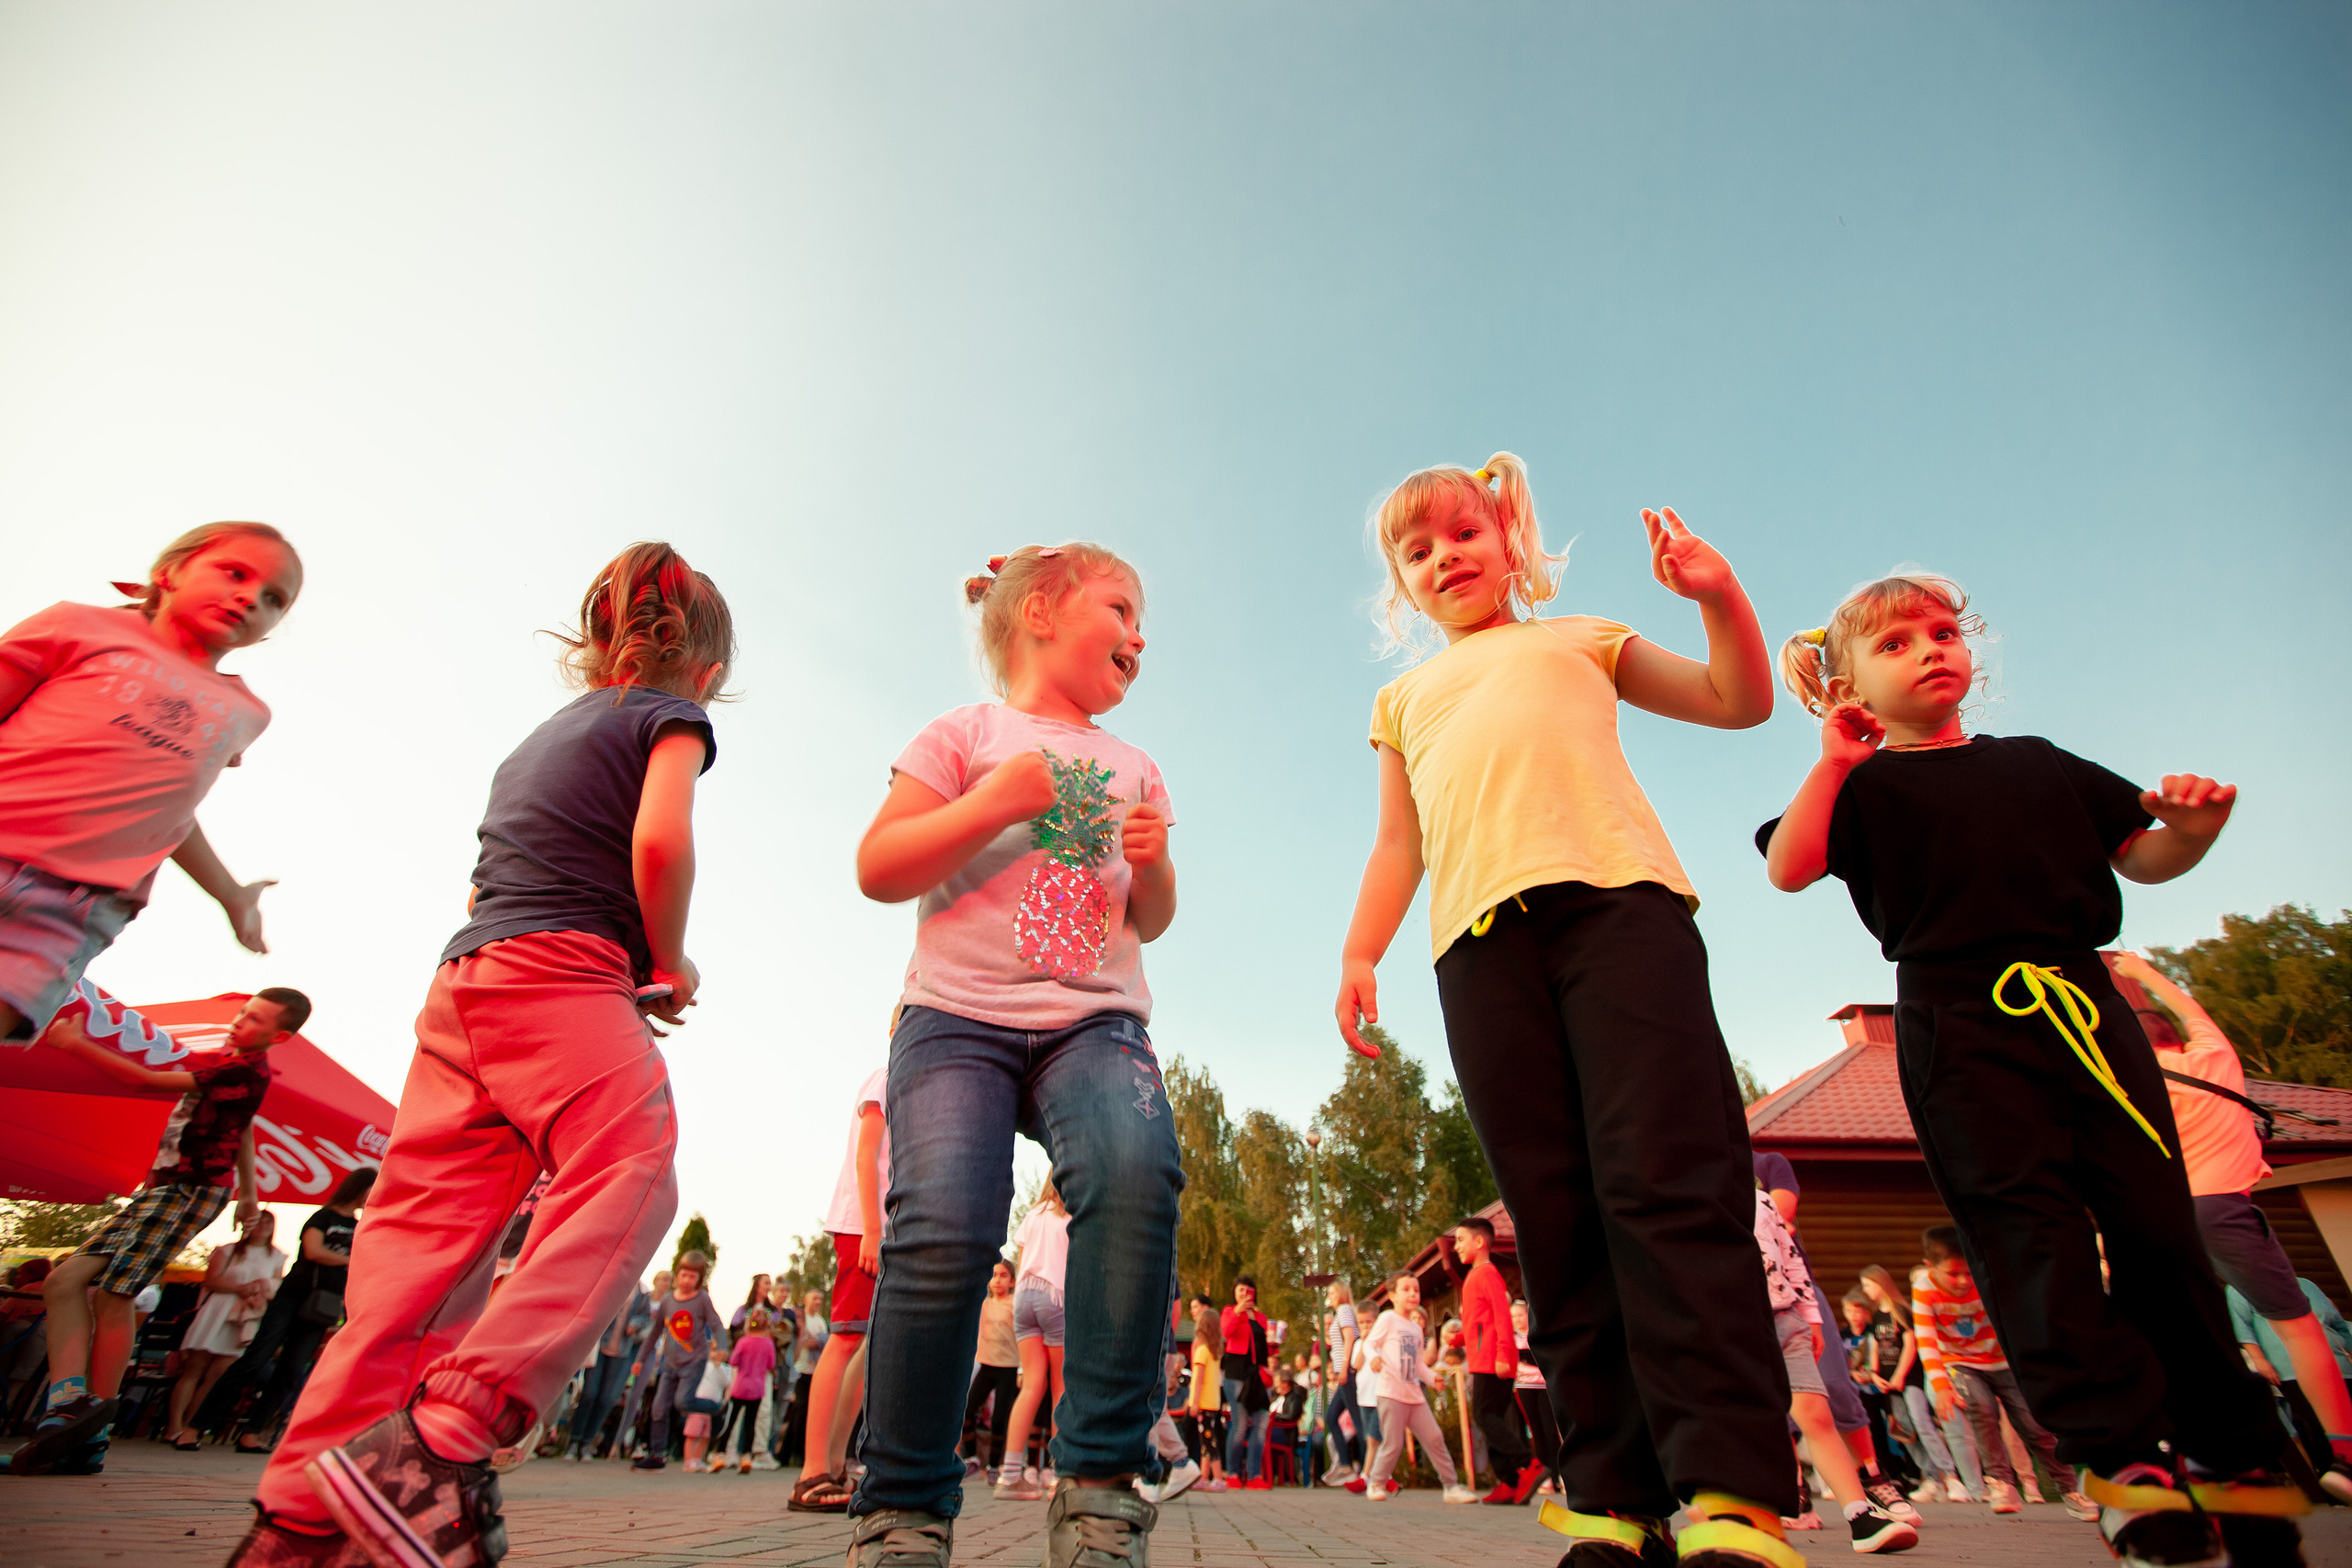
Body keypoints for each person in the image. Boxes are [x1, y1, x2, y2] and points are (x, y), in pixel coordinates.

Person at [1758, 572, 2301, 1566]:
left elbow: (2140, 856)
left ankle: (2233, 1453)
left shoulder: (2041, 764)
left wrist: (2193, 830)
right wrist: (1832, 763)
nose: (1930, 649)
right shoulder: (1864, 787)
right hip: (1959, 1022)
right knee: (2030, 1234)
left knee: (2154, 1227)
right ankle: (2121, 1463)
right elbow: (1789, 866)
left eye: (1941, 631)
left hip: (2085, 1008)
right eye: (1894, 644)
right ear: (1846, 685)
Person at [230, 543, 732, 1567]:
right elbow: (661, 845)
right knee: (628, 1172)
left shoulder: (538, 740)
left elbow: (485, 883)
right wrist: (667, 963)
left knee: (415, 1263)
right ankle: (449, 1434)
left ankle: (299, 1521)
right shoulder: (671, 719)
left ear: (595, 646)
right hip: (565, 973)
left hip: (464, 989)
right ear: (709, 674)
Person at [1333, 459, 1796, 1567]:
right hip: (1478, 954)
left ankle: (1731, 1492)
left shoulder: (1579, 639)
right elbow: (1400, 843)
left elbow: (1739, 702)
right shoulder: (1402, 701)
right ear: (1401, 584)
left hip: (1619, 914)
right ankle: (1612, 1496)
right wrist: (1360, 949)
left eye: (1463, 532)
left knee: (1667, 1183)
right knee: (1554, 1216)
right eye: (1418, 549)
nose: (1446, 556)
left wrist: (1716, 596)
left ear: (1508, 539)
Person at [848, 543, 1182, 1568]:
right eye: (1120, 607)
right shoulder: (966, 732)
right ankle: (902, 1505)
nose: (1138, 634)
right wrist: (995, 799)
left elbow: (1154, 919)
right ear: (1041, 610)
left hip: (1094, 1018)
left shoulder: (1134, 763)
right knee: (946, 1225)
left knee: (1134, 1176)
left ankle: (1097, 1492)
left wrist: (1154, 860)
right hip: (957, 1017)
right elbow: (880, 866)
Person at [0, 523, 296, 1051]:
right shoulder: (77, 626)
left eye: (273, 599)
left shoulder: (246, 713)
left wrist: (233, 896)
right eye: (235, 573)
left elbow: (168, 815)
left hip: (73, 908)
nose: (250, 597)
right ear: (170, 572)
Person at [12, 987, 306, 1477]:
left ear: (278, 1036)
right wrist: (251, 1193)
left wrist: (73, 1042)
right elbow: (243, 1127)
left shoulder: (242, 1070)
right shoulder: (226, 1065)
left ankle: (91, 1429)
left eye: (255, 1019)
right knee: (63, 1282)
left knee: (116, 1292)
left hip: (190, 1191)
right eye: (243, 1012)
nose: (240, 1021)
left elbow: (142, 1081)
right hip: (164, 1189)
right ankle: (68, 1404)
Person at [2110, 949, 2352, 1502]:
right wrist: (2142, 973)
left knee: (2183, 1336)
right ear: (2174, 1037)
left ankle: (2182, 1457)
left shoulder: (2129, 1085)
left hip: (2160, 1221)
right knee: (2299, 1327)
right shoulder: (2214, 1057)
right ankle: (2344, 1453)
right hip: (2219, 1206)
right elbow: (2183, 1001)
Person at [1753, 1153, 1919, 1523]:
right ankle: (1794, 1490)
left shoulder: (1767, 1165)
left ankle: (1872, 1476)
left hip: (1793, 1293)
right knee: (1768, 1398)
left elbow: (1781, 1213)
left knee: (1834, 1384)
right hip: (1738, 1297)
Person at [1909, 1228, 2086, 1520]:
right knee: (1981, 1406)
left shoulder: (1987, 1277)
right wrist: (1941, 1387)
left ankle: (2070, 1489)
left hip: (2002, 1360)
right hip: (1958, 1362)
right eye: (1953, 1274)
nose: (1963, 1281)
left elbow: (2020, 1321)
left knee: (2034, 1425)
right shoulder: (1924, 1288)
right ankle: (2001, 1483)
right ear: (1930, 1267)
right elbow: (1926, 1340)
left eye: (1968, 1271)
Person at [209, 1167, 374, 1453]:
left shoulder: (362, 1226)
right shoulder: (323, 1216)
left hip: (325, 1303)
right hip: (293, 1295)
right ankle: (198, 1425)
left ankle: (252, 1432)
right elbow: (313, 1251)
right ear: (360, 1187)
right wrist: (348, 1260)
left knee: (291, 1370)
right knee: (255, 1359)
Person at [789, 1066, 891, 1512]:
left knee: (868, 1345)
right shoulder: (886, 1077)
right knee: (846, 1337)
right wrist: (872, 1227)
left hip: (889, 1226)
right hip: (864, 1226)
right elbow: (866, 1155)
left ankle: (834, 1463)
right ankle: (811, 1471)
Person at [167, 1212, 286, 1449]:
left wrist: (260, 1291)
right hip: (218, 1309)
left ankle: (192, 1425)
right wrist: (241, 1287)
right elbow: (211, 1280)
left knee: (218, 1375)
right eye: (259, 1221)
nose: (263, 1226)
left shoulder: (276, 1256)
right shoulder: (227, 1251)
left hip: (246, 1316)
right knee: (194, 1370)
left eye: (268, 1222)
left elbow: (276, 1285)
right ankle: (173, 1425)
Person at [1851, 1265, 1968, 1506]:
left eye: (1868, 1285)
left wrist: (1900, 1376)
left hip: (1909, 1380)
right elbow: (1875, 1346)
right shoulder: (1877, 1315)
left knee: (1922, 1423)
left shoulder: (1902, 1311)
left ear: (1881, 1284)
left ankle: (1951, 1476)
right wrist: (1874, 1374)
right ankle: (1932, 1479)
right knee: (1902, 1429)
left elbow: (1910, 1345)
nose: (1866, 1290)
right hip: (1888, 1383)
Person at [1359, 1273, 1473, 1504]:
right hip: (1391, 1393)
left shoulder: (1415, 1328)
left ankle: (1451, 1487)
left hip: (1415, 1395)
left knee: (1434, 1437)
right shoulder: (1388, 1318)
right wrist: (1373, 1358)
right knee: (1393, 1443)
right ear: (1392, 1295)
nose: (1413, 1294)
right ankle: (1376, 1483)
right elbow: (1370, 1343)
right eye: (1406, 1289)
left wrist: (1432, 1379)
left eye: (1416, 1290)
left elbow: (1418, 1363)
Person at [996, 1185, 1072, 1501]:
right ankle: (1060, 1473)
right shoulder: (1071, 1217)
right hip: (1054, 1296)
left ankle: (1010, 1475)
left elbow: (1023, 1258)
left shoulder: (1034, 1214)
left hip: (1024, 1298)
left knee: (1031, 1385)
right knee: (1060, 1387)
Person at [1452, 1218, 1535, 1505]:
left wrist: (1502, 1354)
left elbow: (1501, 1315)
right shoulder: (1476, 1275)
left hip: (1492, 1360)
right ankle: (1510, 1483)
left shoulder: (1487, 1274)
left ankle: (1528, 1465)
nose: (1456, 1246)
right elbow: (1480, 1321)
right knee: (1491, 1419)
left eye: (1461, 1240)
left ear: (1479, 1242)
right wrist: (1460, 1338)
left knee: (1485, 1416)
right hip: (1484, 1356)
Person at [639, 1252, 729, 1470]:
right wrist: (640, 1359)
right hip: (670, 1363)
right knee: (659, 1409)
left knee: (683, 1403)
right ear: (677, 1275)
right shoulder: (668, 1300)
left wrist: (723, 1348)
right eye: (684, 1275)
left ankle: (716, 1407)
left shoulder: (701, 1300)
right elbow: (655, 1332)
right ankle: (657, 1454)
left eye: (692, 1277)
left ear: (698, 1280)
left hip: (694, 1360)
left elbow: (717, 1325)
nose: (687, 1280)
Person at [571, 1278, 655, 1461]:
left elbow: (645, 1316)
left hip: (621, 1351)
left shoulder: (642, 1292)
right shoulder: (614, 1281)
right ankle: (574, 1441)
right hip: (600, 1345)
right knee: (589, 1394)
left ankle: (587, 1442)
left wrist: (636, 1323)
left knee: (607, 1398)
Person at [963, 1260, 1022, 1478]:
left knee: (999, 1420)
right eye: (994, 1275)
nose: (997, 1280)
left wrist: (1023, 1369)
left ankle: (995, 1466)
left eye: (1003, 1275)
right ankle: (972, 1459)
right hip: (987, 1365)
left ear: (1012, 1281)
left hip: (1008, 1367)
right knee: (967, 1411)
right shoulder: (984, 1304)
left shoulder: (1015, 1304)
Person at [612, 1269, 672, 1462]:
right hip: (631, 1348)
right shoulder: (644, 1299)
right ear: (655, 1281)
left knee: (635, 1397)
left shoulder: (669, 1305)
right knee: (617, 1392)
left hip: (651, 1353)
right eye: (663, 1279)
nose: (666, 1284)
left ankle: (618, 1444)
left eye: (669, 1281)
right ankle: (604, 1440)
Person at [1219, 1276, 1272, 1489]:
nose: (1244, 1294)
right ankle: (1232, 1473)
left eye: (1248, 1290)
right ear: (1235, 1292)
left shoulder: (1261, 1318)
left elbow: (1266, 1345)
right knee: (1239, 1423)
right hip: (1236, 1372)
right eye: (1241, 1290)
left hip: (1258, 1374)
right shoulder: (1229, 1312)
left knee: (1260, 1423)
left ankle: (1253, 1475)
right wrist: (1238, 1311)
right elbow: (1226, 1332)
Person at [717, 1305, 777, 1473]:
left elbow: (734, 1360)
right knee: (751, 1423)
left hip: (740, 1387)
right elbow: (771, 1365)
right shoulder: (768, 1343)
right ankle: (747, 1457)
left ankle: (721, 1452)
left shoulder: (743, 1341)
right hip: (757, 1389)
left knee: (733, 1420)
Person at [1509, 1301, 1559, 1496]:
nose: (1517, 1320)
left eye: (1520, 1315)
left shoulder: (1536, 1335)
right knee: (1536, 1431)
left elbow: (1543, 1359)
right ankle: (1545, 1478)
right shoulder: (1513, 1339)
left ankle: (1558, 1476)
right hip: (1524, 1387)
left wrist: (1528, 1361)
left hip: (1544, 1386)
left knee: (1551, 1430)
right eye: (1513, 1317)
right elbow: (1518, 1362)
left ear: (1527, 1314)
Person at [1320, 1280, 1363, 1483]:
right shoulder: (1339, 1315)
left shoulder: (1345, 1310)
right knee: (1331, 1416)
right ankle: (1345, 1464)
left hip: (1347, 1372)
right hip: (1341, 1372)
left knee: (1358, 1421)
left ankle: (1366, 1470)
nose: (1329, 1294)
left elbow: (1350, 1339)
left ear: (1341, 1294)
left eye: (1332, 1291)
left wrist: (1345, 1368)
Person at [1190, 1299, 1229, 1493]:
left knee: (1208, 1441)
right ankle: (1204, 1477)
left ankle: (1218, 1478)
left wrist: (1194, 1402)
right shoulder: (1215, 1352)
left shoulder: (1201, 1351)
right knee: (1206, 1439)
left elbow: (1198, 1379)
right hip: (1213, 1402)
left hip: (1203, 1402)